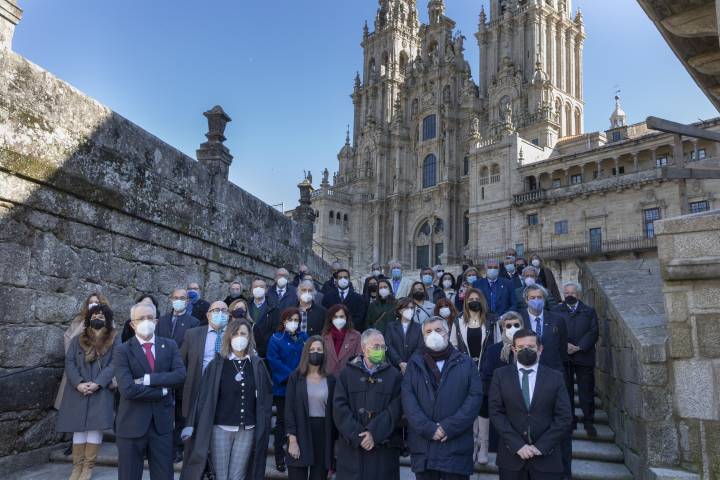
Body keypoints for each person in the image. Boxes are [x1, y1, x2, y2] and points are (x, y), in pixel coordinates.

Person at [180, 319, 272, 480]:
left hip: (247, 429)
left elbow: (265, 397)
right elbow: (203, 397)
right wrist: (192, 424)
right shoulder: (217, 365)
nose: (239, 337)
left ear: (249, 337)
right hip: (220, 428)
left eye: (243, 333)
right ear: (228, 337)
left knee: (237, 476)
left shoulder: (257, 365)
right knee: (220, 475)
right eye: (235, 334)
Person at [402, 316, 483, 480]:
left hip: (456, 451)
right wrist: (429, 428)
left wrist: (448, 427)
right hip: (424, 451)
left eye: (438, 330)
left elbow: (474, 399)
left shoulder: (466, 363)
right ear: (423, 337)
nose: (434, 335)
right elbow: (408, 401)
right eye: (428, 332)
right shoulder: (414, 364)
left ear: (447, 332)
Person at [113, 302, 186, 480]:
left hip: (161, 425)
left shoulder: (170, 346)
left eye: (149, 318)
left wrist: (148, 380)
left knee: (164, 475)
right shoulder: (122, 350)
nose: (146, 321)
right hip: (131, 425)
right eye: (141, 318)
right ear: (132, 324)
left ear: (156, 321)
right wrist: (162, 391)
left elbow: (180, 375)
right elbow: (127, 389)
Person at [489, 329, 572, 480]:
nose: (525, 350)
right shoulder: (500, 375)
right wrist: (517, 445)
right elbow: (496, 413)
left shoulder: (556, 377)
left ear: (540, 349)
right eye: (520, 347)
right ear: (514, 350)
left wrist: (541, 446)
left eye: (531, 346)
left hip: (547, 458)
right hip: (511, 458)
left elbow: (564, 417)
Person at [56, 304, 119, 480]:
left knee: (94, 429)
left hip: (101, 390)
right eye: (94, 315)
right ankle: (76, 468)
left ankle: (87, 468)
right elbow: (69, 363)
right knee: (79, 429)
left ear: (107, 319)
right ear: (89, 318)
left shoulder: (114, 339)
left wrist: (98, 383)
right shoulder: (78, 339)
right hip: (79, 390)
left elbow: (114, 363)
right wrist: (79, 383)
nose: (97, 318)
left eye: (101, 315)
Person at [333, 329, 403, 480]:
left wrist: (374, 432)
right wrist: (360, 436)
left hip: (382, 452)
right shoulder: (346, 374)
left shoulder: (394, 376)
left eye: (383, 347)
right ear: (364, 348)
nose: (380, 350)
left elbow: (396, 410)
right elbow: (339, 409)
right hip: (352, 451)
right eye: (375, 346)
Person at [449, 289, 497, 464]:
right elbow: (453, 345)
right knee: (468, 407)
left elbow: (496, 345)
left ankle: (483, 446)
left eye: (477, 298)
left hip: (485, 370)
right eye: (471, 299)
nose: (474, 301)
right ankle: (472, 444)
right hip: (465, 370)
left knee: (483, 407)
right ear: (466, 301)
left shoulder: (492, 320)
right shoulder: (458, 321)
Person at [156, 288, 200, 463]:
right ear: (170, 299)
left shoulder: (194, 322)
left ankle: (178, 448)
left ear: (188, 301)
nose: (179, 301)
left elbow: (193, 350)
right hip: (163, 372)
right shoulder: (162, 321)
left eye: (182, 298)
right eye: (176, 297)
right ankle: (162, 446)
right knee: (163, 411)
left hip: (183, 373)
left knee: (181, 414)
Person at [285, 336, 337, 480]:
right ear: (306, 352)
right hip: (300, 431)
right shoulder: (295, 378)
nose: (315, 352)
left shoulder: (331, 380)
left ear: (324, 353)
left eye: (319, 349)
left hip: (323, 433)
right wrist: (292, 441)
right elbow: (289, 411)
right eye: (312, 349)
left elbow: (334, 412)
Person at [552, 281, 599, 436]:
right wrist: (564, 345)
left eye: (572, 293)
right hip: (564, 356)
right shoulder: (556, 310)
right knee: (566, 389)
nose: (569, 296)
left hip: (583, 356)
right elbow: (553, 331)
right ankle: (570, 420)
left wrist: (579, 347)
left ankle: (588, 420)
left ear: (578, 294)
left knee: (586, 389)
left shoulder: (589, 311)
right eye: (566, 293)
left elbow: (593, 332)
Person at [179, 301, 231, 434]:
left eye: (224, 310)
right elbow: (181, 363)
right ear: (208, 315)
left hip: (225, 390)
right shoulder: (192, 334)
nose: (220, 313)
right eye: (216, 310)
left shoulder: (235, 335)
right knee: (195, 430)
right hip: (198, 388)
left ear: (229, 315)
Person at [267, 308, 309, 472]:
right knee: (283, 422)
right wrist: (291, 376)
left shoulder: (304, 338)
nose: (294, 322)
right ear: (284, 321)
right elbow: (273, 360)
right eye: (290, 319)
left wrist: (301, 375)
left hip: (302, 385)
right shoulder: (275, 339)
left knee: (301, 420)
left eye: (297, 320)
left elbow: (307, 357)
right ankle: (279, 456)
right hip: (283, 388)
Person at [55, 292, 111, 411]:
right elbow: (68, 339)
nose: (93, 304)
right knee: (73, 406)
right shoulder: (79, 320)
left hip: (97, 369)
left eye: (96, 302)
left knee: (95, 408)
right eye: (91, 302)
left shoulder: (107, 320)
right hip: (78, 366)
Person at [480, 311, 523, 453]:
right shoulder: (493, 350)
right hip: (500, 402)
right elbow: (486, 376)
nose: (512, 328)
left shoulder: (530, 349)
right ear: (503, 328)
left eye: (516, 325)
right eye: (508, 326)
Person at [520, 285, 568, 373]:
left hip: (553, 369)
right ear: (526, 300)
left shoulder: (557, 319)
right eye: (532, 298)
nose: (536, 300)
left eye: (539, 297)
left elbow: (563, 347)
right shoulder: (519, 319)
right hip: (526, 368)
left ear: (544, 300)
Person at [385, 298, 423, 375]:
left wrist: (409, 364)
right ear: (400, 310)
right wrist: (399, 362)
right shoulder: (391, 326)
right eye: (407, 307)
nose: (410, 310)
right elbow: (388, 345)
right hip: (394, 368)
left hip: (413, 368)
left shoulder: (419, 327)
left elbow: (420, 348)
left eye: (412, 308)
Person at [322, 304, 362, 376]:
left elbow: (359, 359)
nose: (338, 319)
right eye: (335, 317)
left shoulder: (356, 336)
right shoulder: (324, 336)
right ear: (331, 318)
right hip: (328, 379)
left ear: (346, 318)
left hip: (348, 379)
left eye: (341, 316)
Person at [247, 278, 276, 359]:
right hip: (247, 347)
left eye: (261, 287)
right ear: (251, 289)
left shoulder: (274, 308)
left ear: (266, 289)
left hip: (265, 350)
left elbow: (274, 330)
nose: (258, 289)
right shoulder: (246, 306)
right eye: (255, 287)